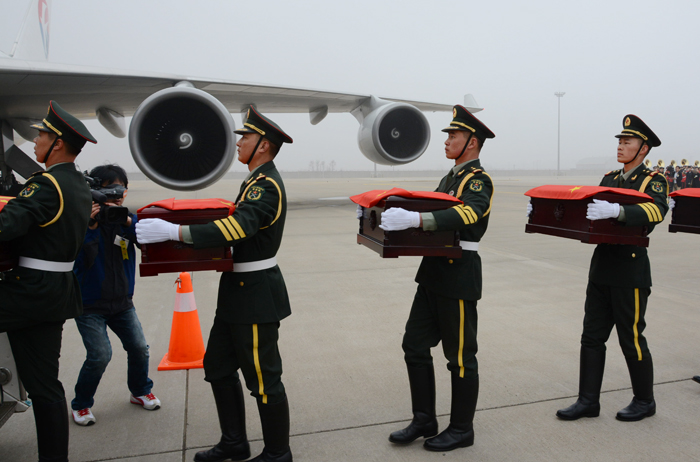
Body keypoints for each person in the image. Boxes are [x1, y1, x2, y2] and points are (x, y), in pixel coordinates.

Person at [136, 106, 293, 462]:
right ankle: (234, 441)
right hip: (238, 292)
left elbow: (238, 228)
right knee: (218, 367)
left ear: (264, 145)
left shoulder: (266, 185)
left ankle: (278, 453)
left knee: (264, 379)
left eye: (246, 138)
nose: (239, 143)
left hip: (255, 294)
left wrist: (175, 232)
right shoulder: (254, 180)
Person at [378, 105, 495, 452]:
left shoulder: (478, 180)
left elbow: (467, 212)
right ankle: (424, 418)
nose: (446, 141)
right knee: (414, 345)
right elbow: (431, 205)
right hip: (432, 274)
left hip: (458, 274)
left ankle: (461, 428)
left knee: (460, 356)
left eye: (453, 135)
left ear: (471, 142)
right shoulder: (450, 178)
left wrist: (417, 222)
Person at [555, 114, 668, 422]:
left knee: (631, 336)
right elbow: (590, 210)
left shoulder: (652, 180)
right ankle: (588, 400)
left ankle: (645, 400)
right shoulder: (610, 178)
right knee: (591, 336)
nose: (620, 146)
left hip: (629, 271)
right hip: (602, 267)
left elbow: (656, 210)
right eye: (619, 141)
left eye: (627, 141)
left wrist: (619, 211)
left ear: (643, 148)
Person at [0, 101, 95, 462]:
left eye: (40, 134)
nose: (35, 140)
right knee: (45, 386)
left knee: (44, 385)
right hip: (55, 294)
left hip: (28, 291)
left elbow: (6, 225)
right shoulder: (78, 185)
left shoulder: (46, 185)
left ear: (56, 143)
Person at [70, 164, 160, 427]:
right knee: (100, 355)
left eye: (121, 189)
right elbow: (78, 260)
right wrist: (90, 225)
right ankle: (81, 404)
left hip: (122, 302)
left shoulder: (126, 219)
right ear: (97, 192)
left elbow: (145, 238)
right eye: (110, 190)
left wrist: (126, 220)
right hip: (89, 305)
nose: (117, 195)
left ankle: (140, 390)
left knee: (139, 349)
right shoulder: (81, 222)